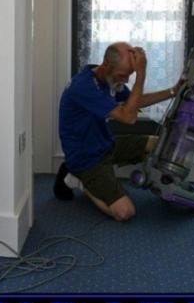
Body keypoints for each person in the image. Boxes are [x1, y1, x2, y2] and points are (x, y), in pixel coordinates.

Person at [54, 43, 183, 221]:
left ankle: (94, 180)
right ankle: (79, 180)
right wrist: (141, 74)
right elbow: (129, 117)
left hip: (105, 145)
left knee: (157, 143)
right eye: (124, 75)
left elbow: (134, 102)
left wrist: (173, 92)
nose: (126, 80)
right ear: (106, 64)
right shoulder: (84, 87)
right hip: (86, 159)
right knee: (125, 213)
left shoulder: (108, 78)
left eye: (130, 75)